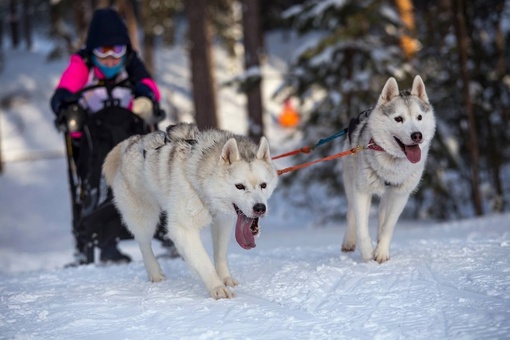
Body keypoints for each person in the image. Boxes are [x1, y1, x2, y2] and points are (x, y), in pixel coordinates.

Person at [50, 8, 161, 265]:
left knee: (141, 177)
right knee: (101, 181)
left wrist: (146, 98)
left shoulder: (131, 63)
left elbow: (150, 87)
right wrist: (67, 107)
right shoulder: (82, 65)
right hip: (93, 141)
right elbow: (62, 94)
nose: (111, 60)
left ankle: (165, 234)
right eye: (103, 52)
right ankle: (101, 243)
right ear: (92, 51)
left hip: (130, 139)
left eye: (117, 52)